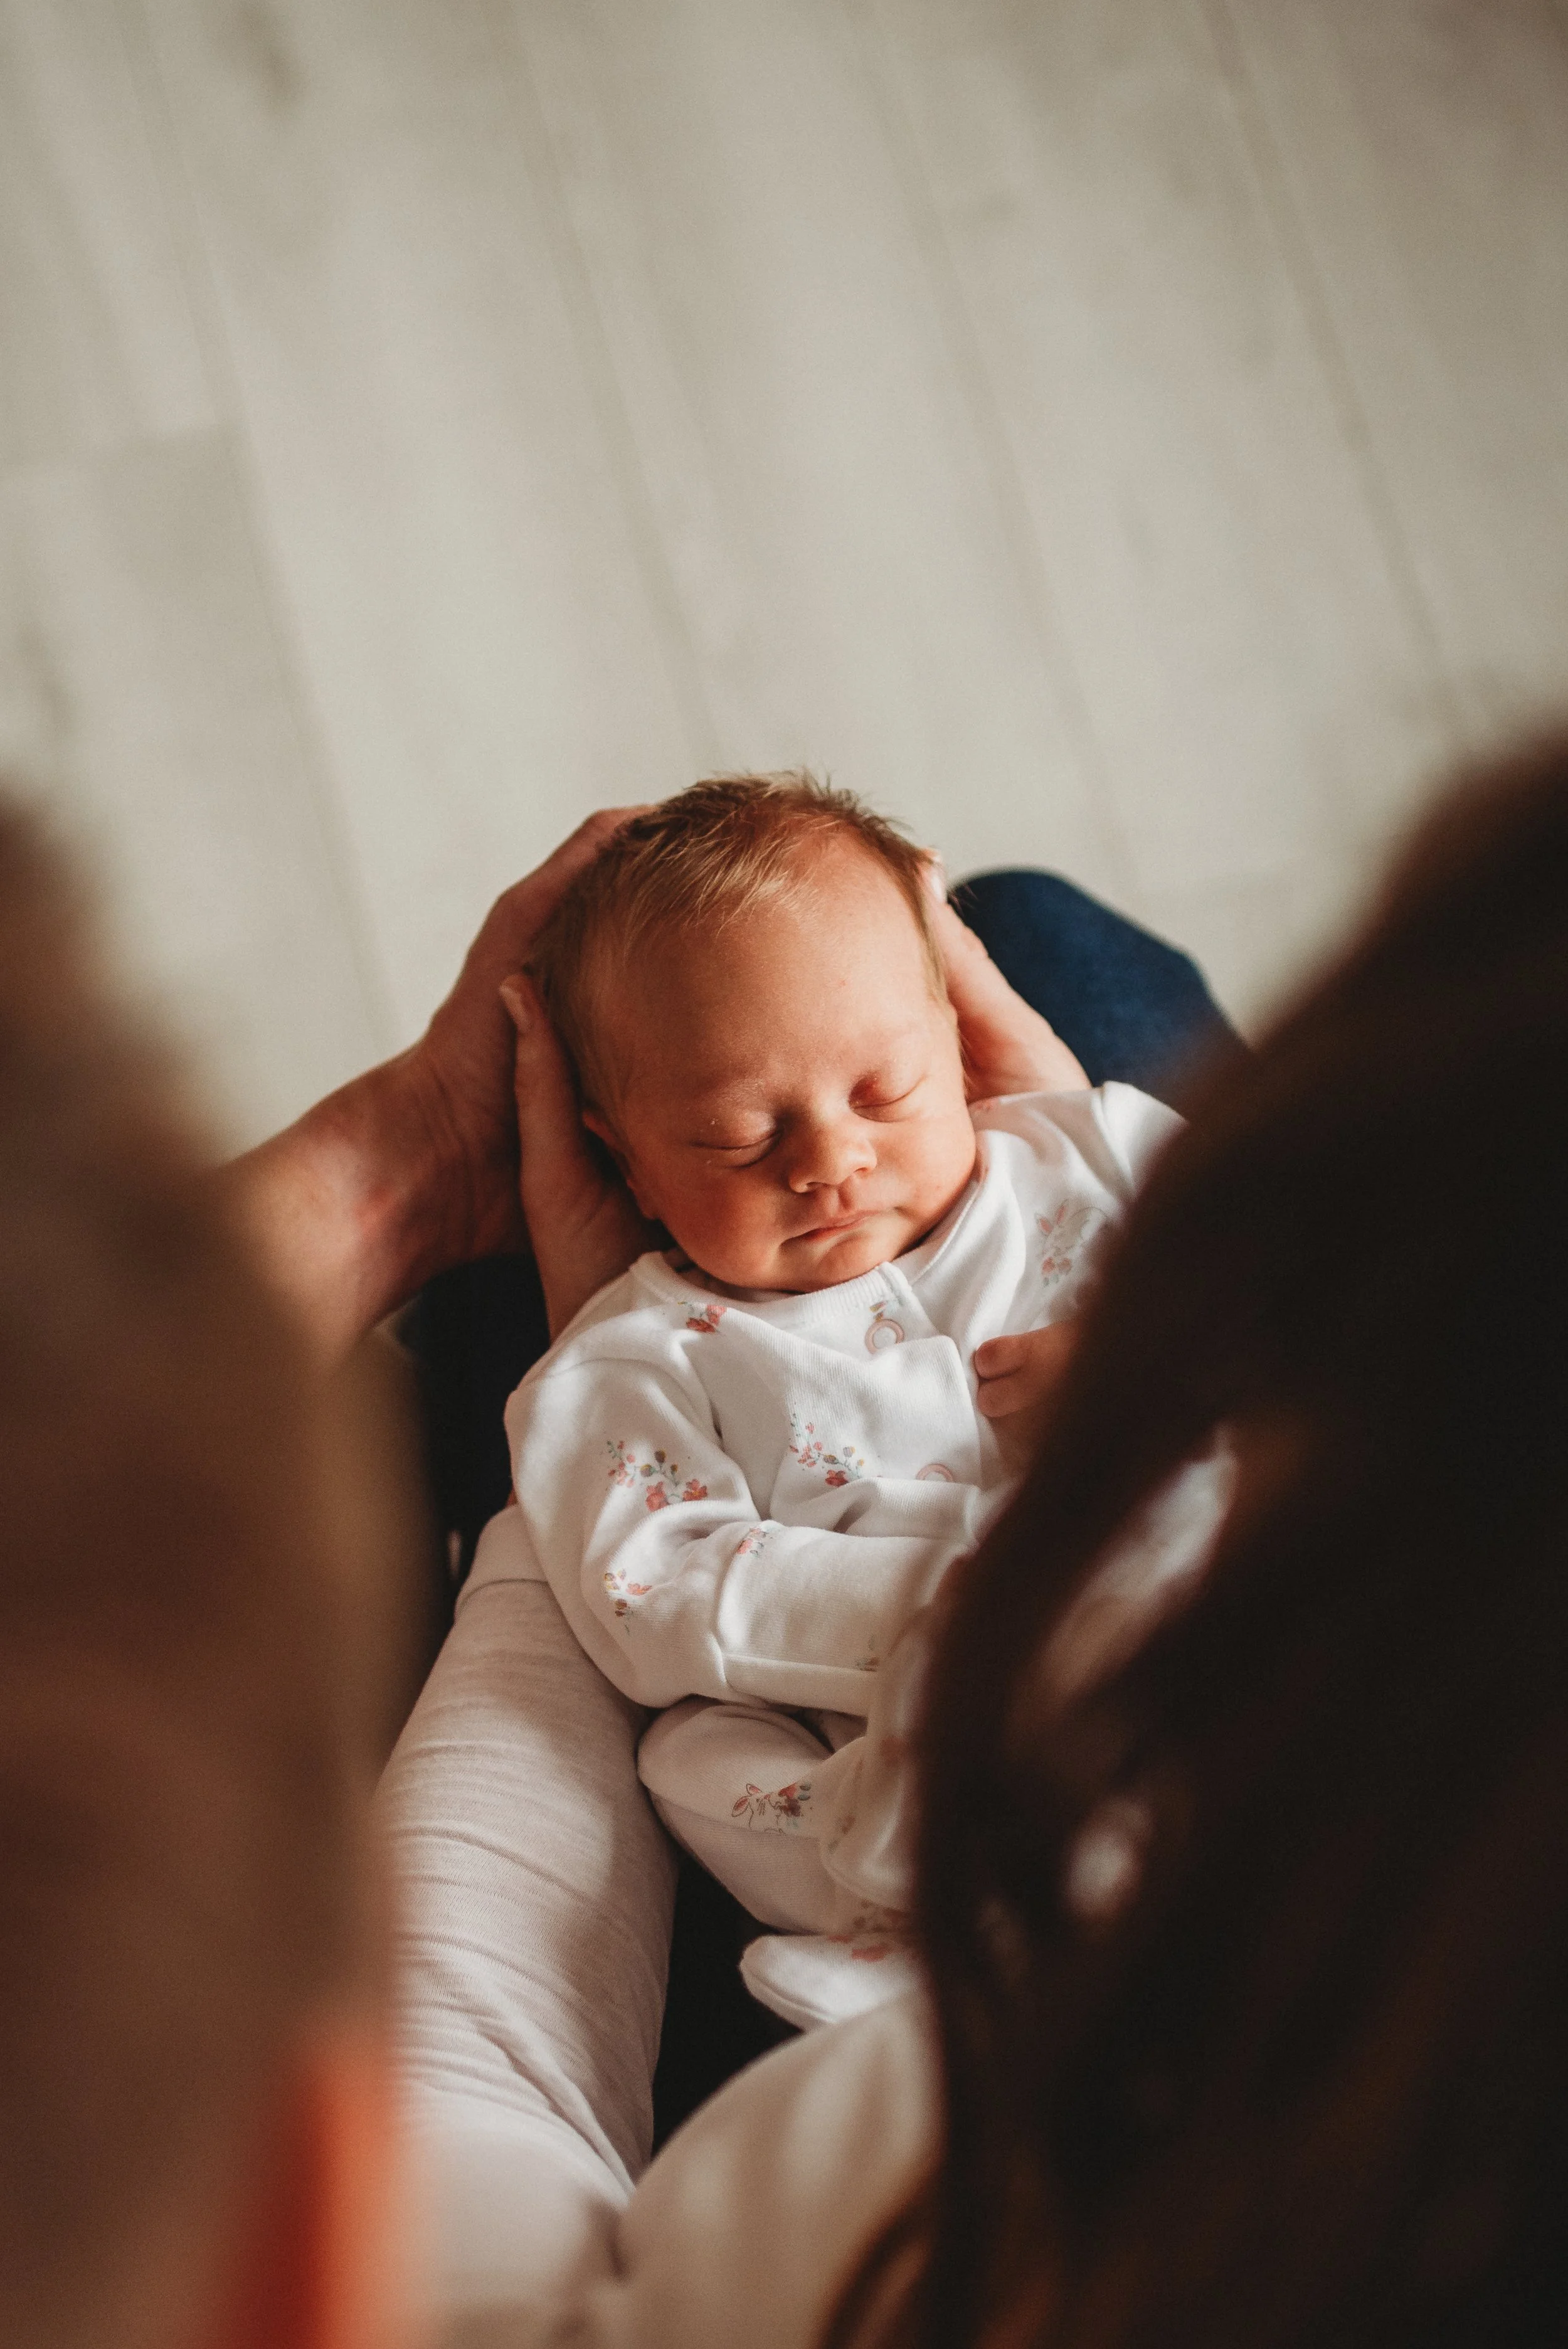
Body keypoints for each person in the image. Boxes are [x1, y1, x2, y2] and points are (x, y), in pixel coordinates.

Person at [497, 773, 1186, 2028]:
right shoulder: (646, 1351)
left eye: (882, 1092)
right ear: (627, 1161)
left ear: (953, 1029)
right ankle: (940, 1922)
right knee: (696, 1762)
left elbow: (1305, 1297)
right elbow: (646, 1580)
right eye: (738, 1142)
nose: (829, 1162)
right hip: (889, 1737)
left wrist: (1145, 1369)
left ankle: (1036, 1897)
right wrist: (947, 1607)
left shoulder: (1091, 1151)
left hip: (1183, 1610)